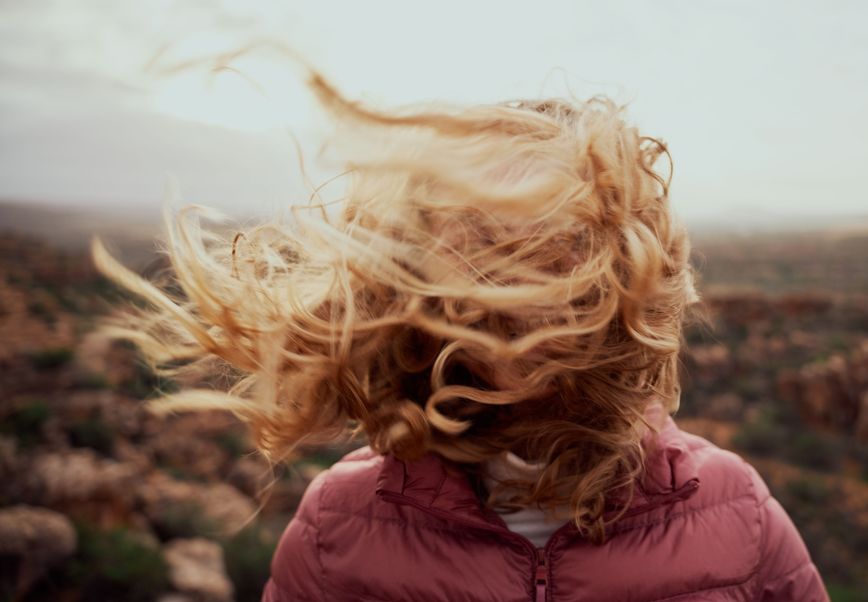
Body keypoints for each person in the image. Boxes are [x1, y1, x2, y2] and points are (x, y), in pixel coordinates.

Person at [92, 72, 829, 601]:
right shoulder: (340, 525)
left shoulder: (735, 510)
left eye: (558, 255)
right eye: (485, 255)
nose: (518, 299)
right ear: (421, 284)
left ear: (624, 279)